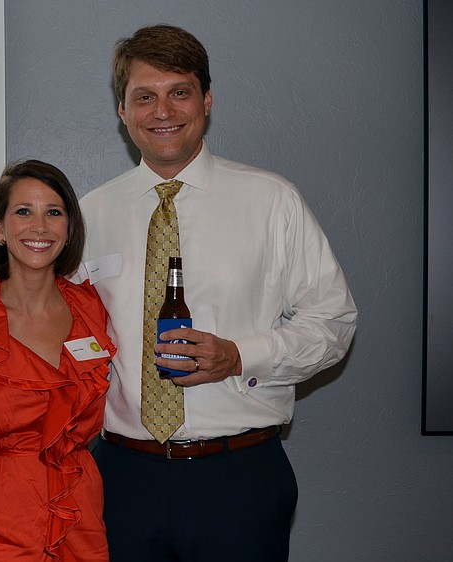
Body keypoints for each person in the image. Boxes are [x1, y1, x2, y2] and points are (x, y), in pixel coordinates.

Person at [75, 25, 358, 561]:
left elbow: (334, 321)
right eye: (144, 96)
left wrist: (239, 356)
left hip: (240, 478)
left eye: (179, 91)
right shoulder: (89, 215)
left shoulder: (272, 201)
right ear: (122, 110)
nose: (163, 110)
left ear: (206, 99)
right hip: (121, 478)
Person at [0, 160, 117, 561]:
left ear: (69, 229)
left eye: (53, 212)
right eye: (23, 212)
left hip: (78, 513)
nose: (40, 227)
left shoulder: (95, 310)